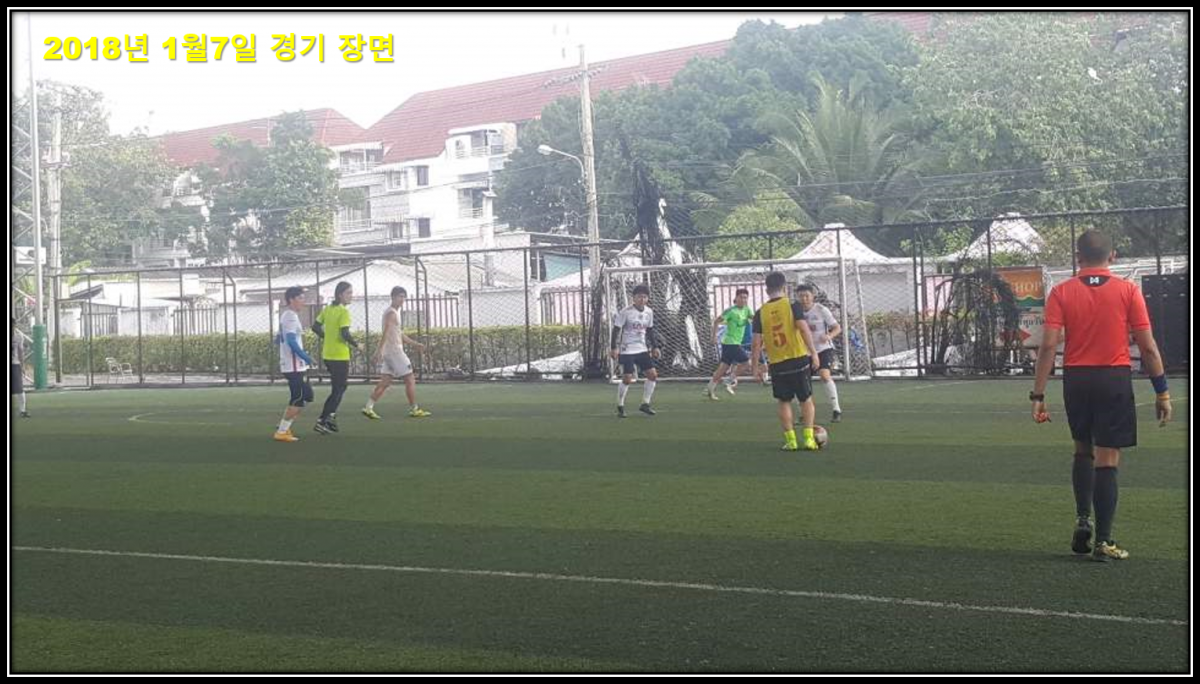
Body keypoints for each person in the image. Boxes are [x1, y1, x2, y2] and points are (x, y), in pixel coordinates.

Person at [1030, 230, 1173, 562]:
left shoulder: (1061, 292)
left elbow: (1048, 346)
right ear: (1113, 256)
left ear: (1078, 257)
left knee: (1083, 450)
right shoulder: (1128, 290)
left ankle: (1083, 519)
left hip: (1076, 379)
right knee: (1107, 459)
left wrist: (1038, 394)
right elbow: (1148, 347)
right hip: (1113, 379)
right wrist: (1162, 391)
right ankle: (1104, 541)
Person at [752, 272, 820, 451]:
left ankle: (791, 441)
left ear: (767, 290)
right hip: (798, 359)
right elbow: (803, 329)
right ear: (784, 287)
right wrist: (814, 353)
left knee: (784, 401)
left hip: (777, 363)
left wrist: (755, 367)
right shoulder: (792, 305)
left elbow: (756, 342)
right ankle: (809, 439)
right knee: (806, 399)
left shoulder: (760, 312)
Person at [363, 286, 431, 420]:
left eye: (404, 297)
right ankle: (415, 409)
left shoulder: (393, 313)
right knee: (410, 379)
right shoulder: (391, 313)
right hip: (395, 352)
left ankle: (368, 407)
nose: (402, 299)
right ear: (393, 297)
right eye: (400, 296)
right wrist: (378, 350)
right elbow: (386, 332)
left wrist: (415, 344)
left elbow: (398, 334)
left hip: (390, 352)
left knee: (385, 382)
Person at [312, 281, 359, 435]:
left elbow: (315, 327)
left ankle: (330, 417)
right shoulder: (343, 312)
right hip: (339, 356)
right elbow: (345, 333)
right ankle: (322, 420)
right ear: (340, 295)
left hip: (328, 355)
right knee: (339, 389)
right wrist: (357, 345)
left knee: (339, 387)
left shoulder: (328, 309)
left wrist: (327, 337)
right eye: (348, 293)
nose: (351, 296)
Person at [610, 283, 661, 418]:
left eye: (644, 297)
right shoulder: (626, 312)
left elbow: (649, 330)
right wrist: (613, 348)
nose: (642, 299)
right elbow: (616, 330)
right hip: (627, 349)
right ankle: (620, 405)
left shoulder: (649, 312)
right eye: (639, 297)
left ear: (647, 298)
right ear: (633, 298)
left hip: (642, 348)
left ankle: (645, 404)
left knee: (652, 375)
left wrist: (655, 346)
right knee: (627, 379)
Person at [795, 284, 843, 423]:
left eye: (807, 296)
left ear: (813, 296)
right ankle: (804, 413)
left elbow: (837, 328)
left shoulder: (821, 310)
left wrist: (829, 336)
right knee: (801, 381)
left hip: (823, 349)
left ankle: (836, 409)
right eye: (801, 296)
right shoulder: (795, 311)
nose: (804, 299)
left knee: (824, 374)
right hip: (804, 351)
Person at [274, 287, 315, 442]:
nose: (303, 301)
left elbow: (278, 339)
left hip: (293, 364)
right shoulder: (290, 316)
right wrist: (305, 357)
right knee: (298, 397)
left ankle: (284, 424)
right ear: (291, 299)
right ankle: (282, 431)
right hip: (293, 365)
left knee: (307, 395)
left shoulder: (287, 316)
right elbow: (291, 341)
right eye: (300, 298)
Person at [705, 289, 753, 400]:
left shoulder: (747, 310)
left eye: (745, 297)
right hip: (731, 343)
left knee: (722, 369)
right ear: (736, 298)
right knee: (747, 363)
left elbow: (754, 318)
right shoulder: (731, 311)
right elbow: (716, 321)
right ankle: (729, 380)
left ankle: (710, 389)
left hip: (732, 343)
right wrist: (713, 337)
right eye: (741, 297)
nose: (743, 300)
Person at [12, 318, 29, 418]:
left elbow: (20, 351)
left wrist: (22, 366)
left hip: (15, 364)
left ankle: (23, 411)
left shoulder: (19, 336)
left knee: (19, 389)